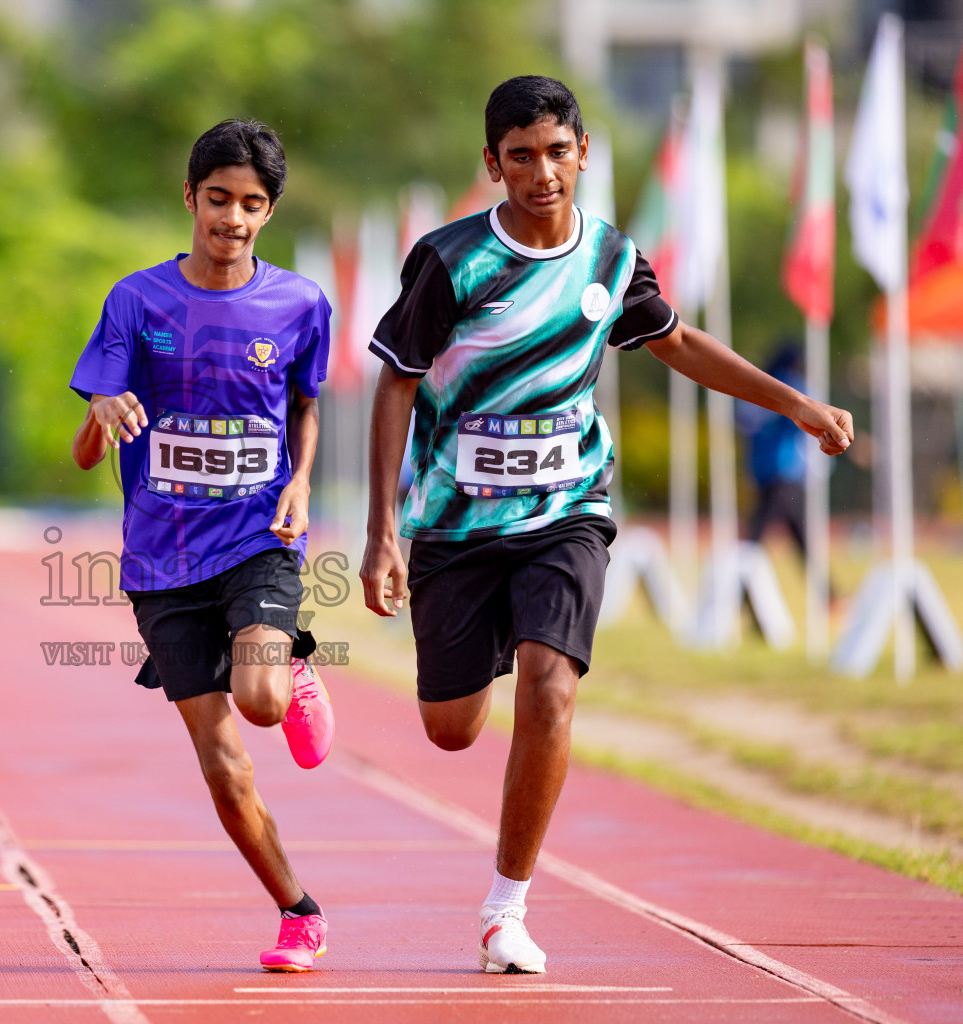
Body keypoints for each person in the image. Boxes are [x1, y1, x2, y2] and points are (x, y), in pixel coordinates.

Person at [360, 76, 854, 975]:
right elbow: (396, 380)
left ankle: (505, 909)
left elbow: (677, 342)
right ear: (492, 164)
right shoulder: (452, 260)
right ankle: (497, 631)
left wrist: (795, 404)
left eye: (556, 151)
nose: (541, 172)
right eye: (520, 156)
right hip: (457, 524)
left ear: (584, 153)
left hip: (566, 513)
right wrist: (384, 532)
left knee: (550, 690)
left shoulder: (613, 259)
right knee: (451, 728)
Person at [69, 119, 336, 972]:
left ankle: (291, 666)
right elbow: (93, 425)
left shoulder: (300, 303)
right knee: (224, 765)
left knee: (259, 703)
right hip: (161, 561)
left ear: (269, 211)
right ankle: (299, 911)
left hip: (259, 536)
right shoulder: (136, 302)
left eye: (251, 204)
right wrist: (102, 414)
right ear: (190, 198)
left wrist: (299, 482)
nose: (233, 218)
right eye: (218, 199)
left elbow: (305, 404)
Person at [742, 343, 809, 559]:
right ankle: (738, 573)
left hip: (761, 465)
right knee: (760, 527)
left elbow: (744, 423)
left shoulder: (758, 384)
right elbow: (801, 424)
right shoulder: (792, 386)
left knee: (791, 527)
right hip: (784, 466)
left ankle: (827, 586)